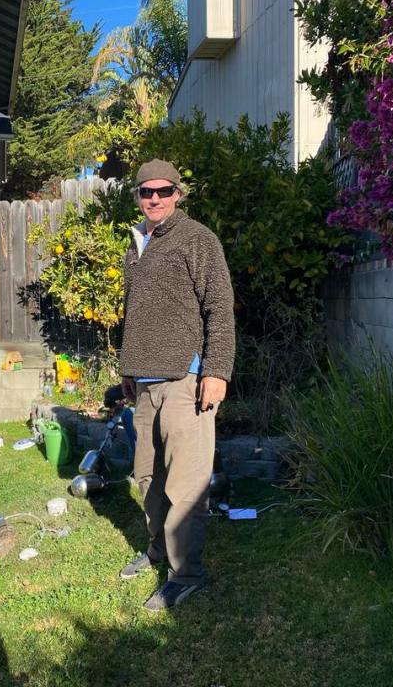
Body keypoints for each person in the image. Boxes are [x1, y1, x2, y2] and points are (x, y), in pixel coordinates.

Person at [118, 159, 236, 611]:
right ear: (138, 196)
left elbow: (219, 311)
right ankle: (157, 551)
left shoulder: (198, 240)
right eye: (146, 191)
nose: (154, 198)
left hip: (186, 380)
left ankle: (186, 573)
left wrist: (217, 371)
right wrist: (128, 368)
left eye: (163, 191)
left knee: (185, 485)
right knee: (149, 478)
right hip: (145, 382)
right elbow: (137, 314)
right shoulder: (137, 243)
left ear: (178, 194)